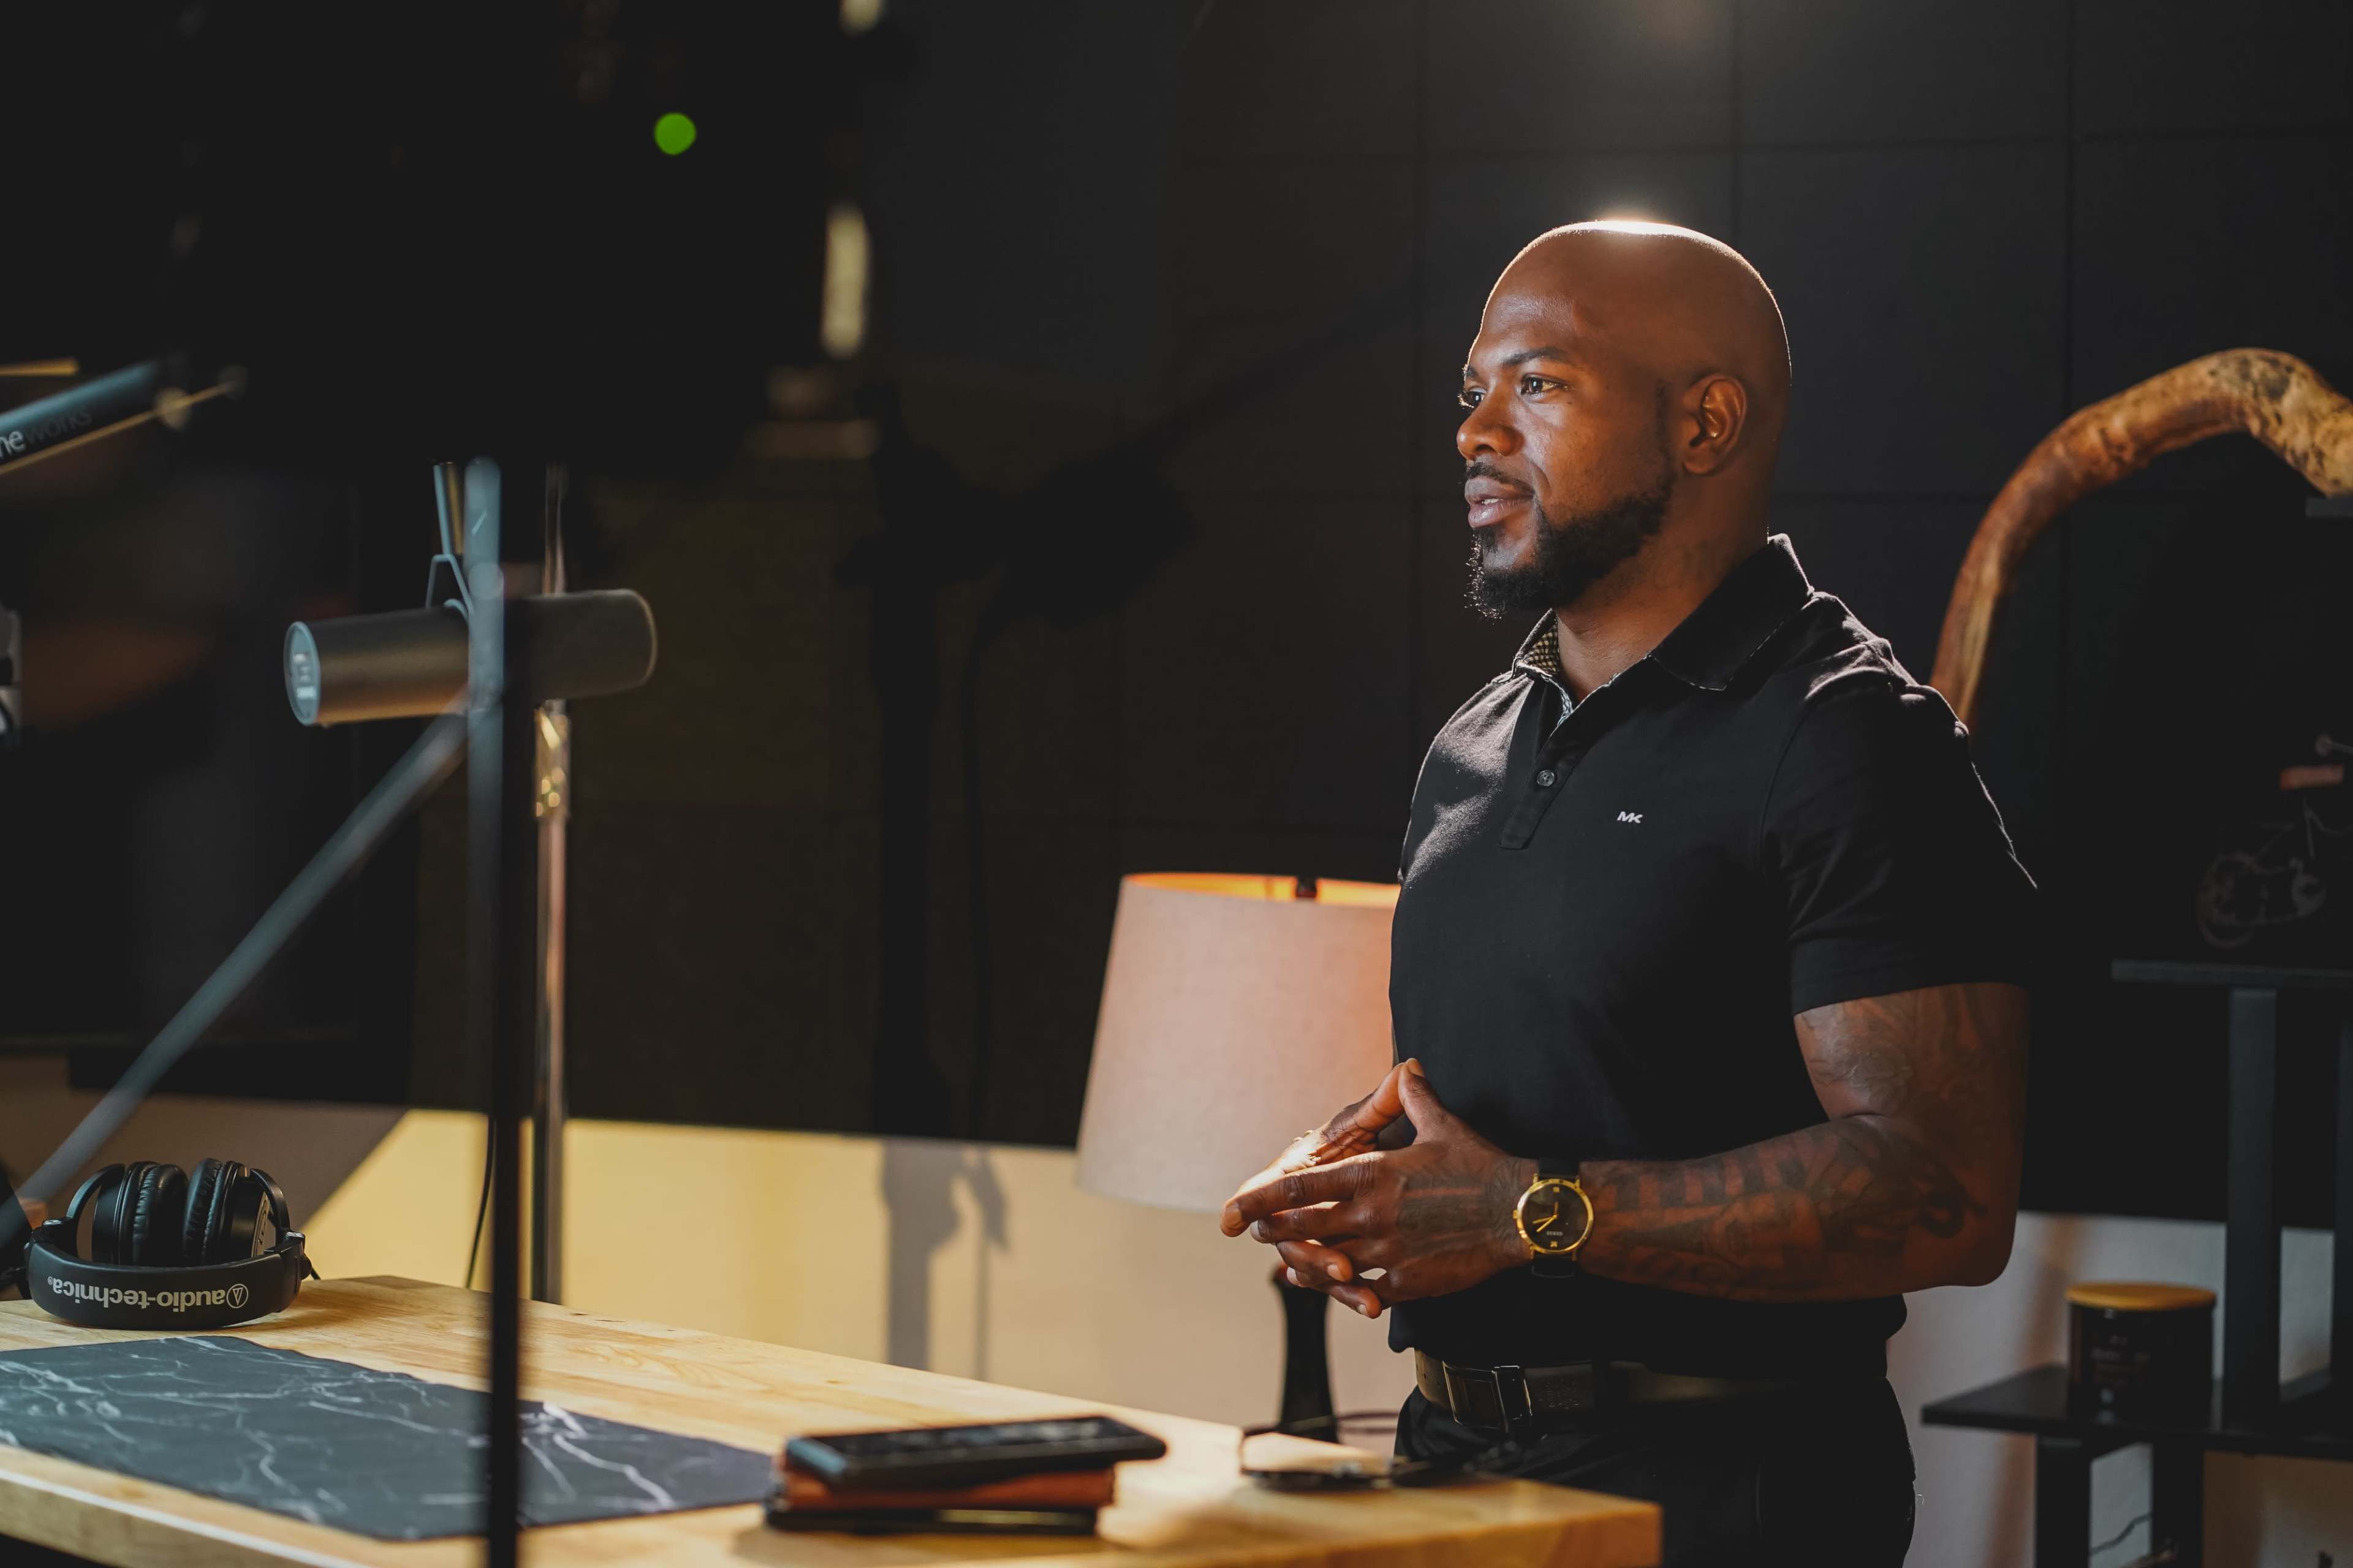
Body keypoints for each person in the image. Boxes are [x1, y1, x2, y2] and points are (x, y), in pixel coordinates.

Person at [1220, 221, 2036, 1566]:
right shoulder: (1477, 740)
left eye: (1537, 384)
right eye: (1472, 392)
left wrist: (1518, 1213)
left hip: (1722, 1489)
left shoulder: (1851, 739)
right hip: (1440, 1459)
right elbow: (1582, 1073)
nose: (1476, 431)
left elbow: (1944, 1194)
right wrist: (1369, 1187)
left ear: (1705, 423)